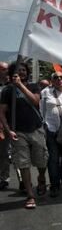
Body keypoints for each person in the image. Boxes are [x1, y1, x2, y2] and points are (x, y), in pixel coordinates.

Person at [0, 61, 48, 209]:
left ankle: (41, 178)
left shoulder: (34, 86)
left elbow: (34, 101)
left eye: (23, 70)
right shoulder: (7, 90)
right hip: (18, 133)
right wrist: (8, 130)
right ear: (12, 73)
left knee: (41, 161)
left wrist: (20, 85)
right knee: (23, 164)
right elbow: (2, 112)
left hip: (36, 129)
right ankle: (30, 195)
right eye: (18, 70)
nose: (21, 72)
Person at [0, 61, 10, 190]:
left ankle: (23, 180)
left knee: (7, 154)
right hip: (2, 125)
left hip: (13, 125)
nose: (6, 71)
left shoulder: (14, 86)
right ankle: (3, 177)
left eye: (7, 69)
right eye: (3, 69)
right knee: (2, 153)